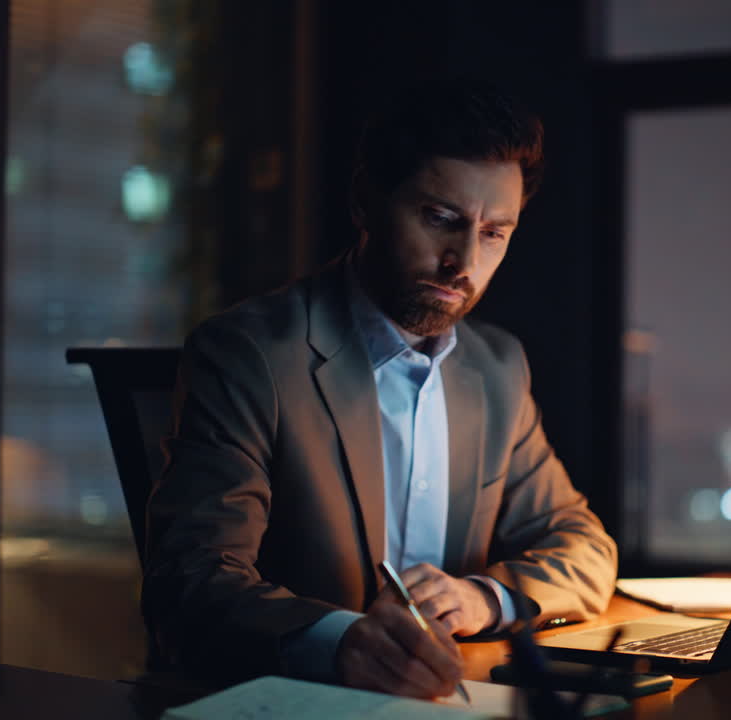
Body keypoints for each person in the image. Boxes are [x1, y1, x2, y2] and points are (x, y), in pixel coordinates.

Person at [142, 78, 617, 700]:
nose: (464, 261)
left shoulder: (497, 366)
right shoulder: (249, 354)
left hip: (443, 700)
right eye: (440, 219)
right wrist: (341, 642)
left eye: (494, 232)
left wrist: (481, 598)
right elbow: (190, 582)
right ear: (365, 201)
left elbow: (584, 548)